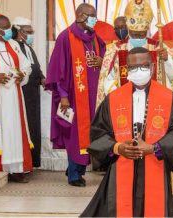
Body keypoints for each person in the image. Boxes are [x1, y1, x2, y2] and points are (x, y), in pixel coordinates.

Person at [80, 47, 173, 217]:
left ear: (153, 67)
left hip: (156, 164)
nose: (139, 71)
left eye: (144, 66)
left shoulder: (169, 99)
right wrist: (117, 147)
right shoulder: (113, 98)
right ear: (126, 69)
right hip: (121, 167)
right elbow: (98, 132)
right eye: (133, 67)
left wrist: (155, 148)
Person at [45, 3, 106, 187]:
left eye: (95, 16)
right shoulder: (66, 37)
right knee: (75, 135)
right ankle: (73, 175)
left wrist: (102, 60)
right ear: (80, 16)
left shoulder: (95, 39)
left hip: (91, 97)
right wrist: (63, 96)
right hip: (73, 97)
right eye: (91, 16)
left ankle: (77, 169)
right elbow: (57, 69)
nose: (94, 20)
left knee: (87, 134)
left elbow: (108, 57)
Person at [96, 0, 173, 108]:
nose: (138, 38)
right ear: (129, 31)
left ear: (147, 32)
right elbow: (107, 80)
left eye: (141, 35)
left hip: (153, 104)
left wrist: (167, 60)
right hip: (124, 103)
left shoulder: (158, 48)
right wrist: (119, 96)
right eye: (135, 35)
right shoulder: (115, 50)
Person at [0, 14, 33, 182]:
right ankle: (0, 168)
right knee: (1, 131)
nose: (8, 32)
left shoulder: (14, 45)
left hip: (14, 96)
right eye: (4, 29)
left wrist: (21, 75)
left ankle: (16, 169)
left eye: (9, 27)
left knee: (15, 131)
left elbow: (26, 67)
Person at [11, 17, 45, 168]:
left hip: (33, 94)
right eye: (28, 31)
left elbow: (35, 68)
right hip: (22, 93)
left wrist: (43, 79)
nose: (31, 34)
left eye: (32, 31)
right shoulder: (13, 46)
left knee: (33, 126)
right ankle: (24, 163)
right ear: (19, 31)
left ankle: (32, 162)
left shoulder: (28, 48)